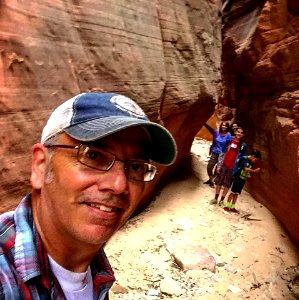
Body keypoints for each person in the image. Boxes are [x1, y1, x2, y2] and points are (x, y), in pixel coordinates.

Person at [0, 92, 177, 299]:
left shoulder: (95, 268)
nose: (119, 185)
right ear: (41, 166)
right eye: (93, 156)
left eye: (136, 167)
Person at [212, 127, 246, 205]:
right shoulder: (229, 140)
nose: (239, 134)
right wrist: (219, 165)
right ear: (235, 132)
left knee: (227, 184)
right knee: (219, 182)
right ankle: (215, 199)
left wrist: (237, 169)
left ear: (243, 135)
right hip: (224, 164)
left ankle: (221, 201)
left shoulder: (243, 145)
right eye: (238, 132)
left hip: (232, 168)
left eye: (241, 133)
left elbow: (241, 158)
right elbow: (222, 152)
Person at [203, 121, 232, 188]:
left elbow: (229, 145)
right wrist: (203, 123)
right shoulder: (216, 132)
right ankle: (211, 179)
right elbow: (210, 128)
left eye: (225, 126)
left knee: (217, 169)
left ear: (227, 127)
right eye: (223, 125)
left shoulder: (228, 135)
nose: (224, 127)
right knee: (209, 167)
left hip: (222, 154)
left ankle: (212, 181)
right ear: (221, 126)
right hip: (214, 153)